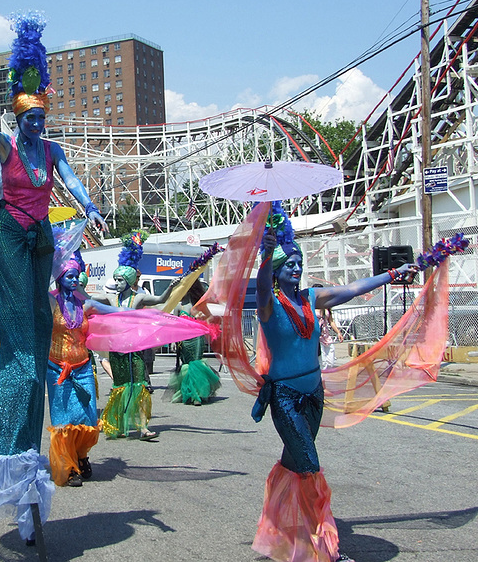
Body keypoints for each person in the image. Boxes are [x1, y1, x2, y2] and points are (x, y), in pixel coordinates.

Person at [0, 12, 106, 542]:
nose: (36, 126)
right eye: (29, 119)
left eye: (41, 118)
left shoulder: (53, 152)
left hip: (41, 237)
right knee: (19, 337)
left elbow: (76, 181)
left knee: (40, 331)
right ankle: (13, 418)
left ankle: (30, 389)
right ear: (18, 120)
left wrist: (91, 207)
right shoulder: (7, 147)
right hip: (9, 235)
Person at [252, 209, 418, 562]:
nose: (295, 269)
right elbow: (262, 286)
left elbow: (352, 289)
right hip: (285, 400)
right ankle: (324, 547)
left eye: (298, 263)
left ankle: (280, 530)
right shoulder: (268, 306)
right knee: (310, 467)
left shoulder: (311, 298)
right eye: (289, 264)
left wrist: (392, 274)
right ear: (278, 270)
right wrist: (266, 254)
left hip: (314, 397)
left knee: (295, 463)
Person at [47, 259, 127, 487]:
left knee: (88, 417)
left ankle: (81, 456)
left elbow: (117, 312)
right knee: (63, 420)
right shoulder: (51, 301)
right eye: (69, 276)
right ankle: (69, 467)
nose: (74, 280)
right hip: (57, 370)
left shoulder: (87, 306)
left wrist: (153, 316)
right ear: (60, 278)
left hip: (82, 367)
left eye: (76, 276)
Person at [91, 241, 177, 440]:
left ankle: (143, 427)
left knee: (138, 386)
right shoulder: (111, 299)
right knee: (121, 387)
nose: (117, 283)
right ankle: (119, 425)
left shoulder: (137, 299)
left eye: (120, 280)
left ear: (129, 282)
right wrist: (75, 287)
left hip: (134, 351)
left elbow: (160, 300)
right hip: (117, 352)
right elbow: (88, 298)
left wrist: (171, 287)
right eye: (116, 280)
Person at [169, 278, 220, 405]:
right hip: (184, 340)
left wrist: (203, 319)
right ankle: (189, 391)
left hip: (197, 338)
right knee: (186, 364)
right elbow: (174, 325)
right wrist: (173, 341)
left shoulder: (198, 305)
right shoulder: (178, 306)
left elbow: (211, 319)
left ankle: (196, 395)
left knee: (195, 363)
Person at [312, 284, 344, 370]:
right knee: (322, 362)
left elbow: (331, 321)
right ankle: (322, 380)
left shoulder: (326, 306)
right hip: (317, 337)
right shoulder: (311, 306)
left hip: (326, 336)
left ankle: (325, 376)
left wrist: (338, 332)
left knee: (331, 361)